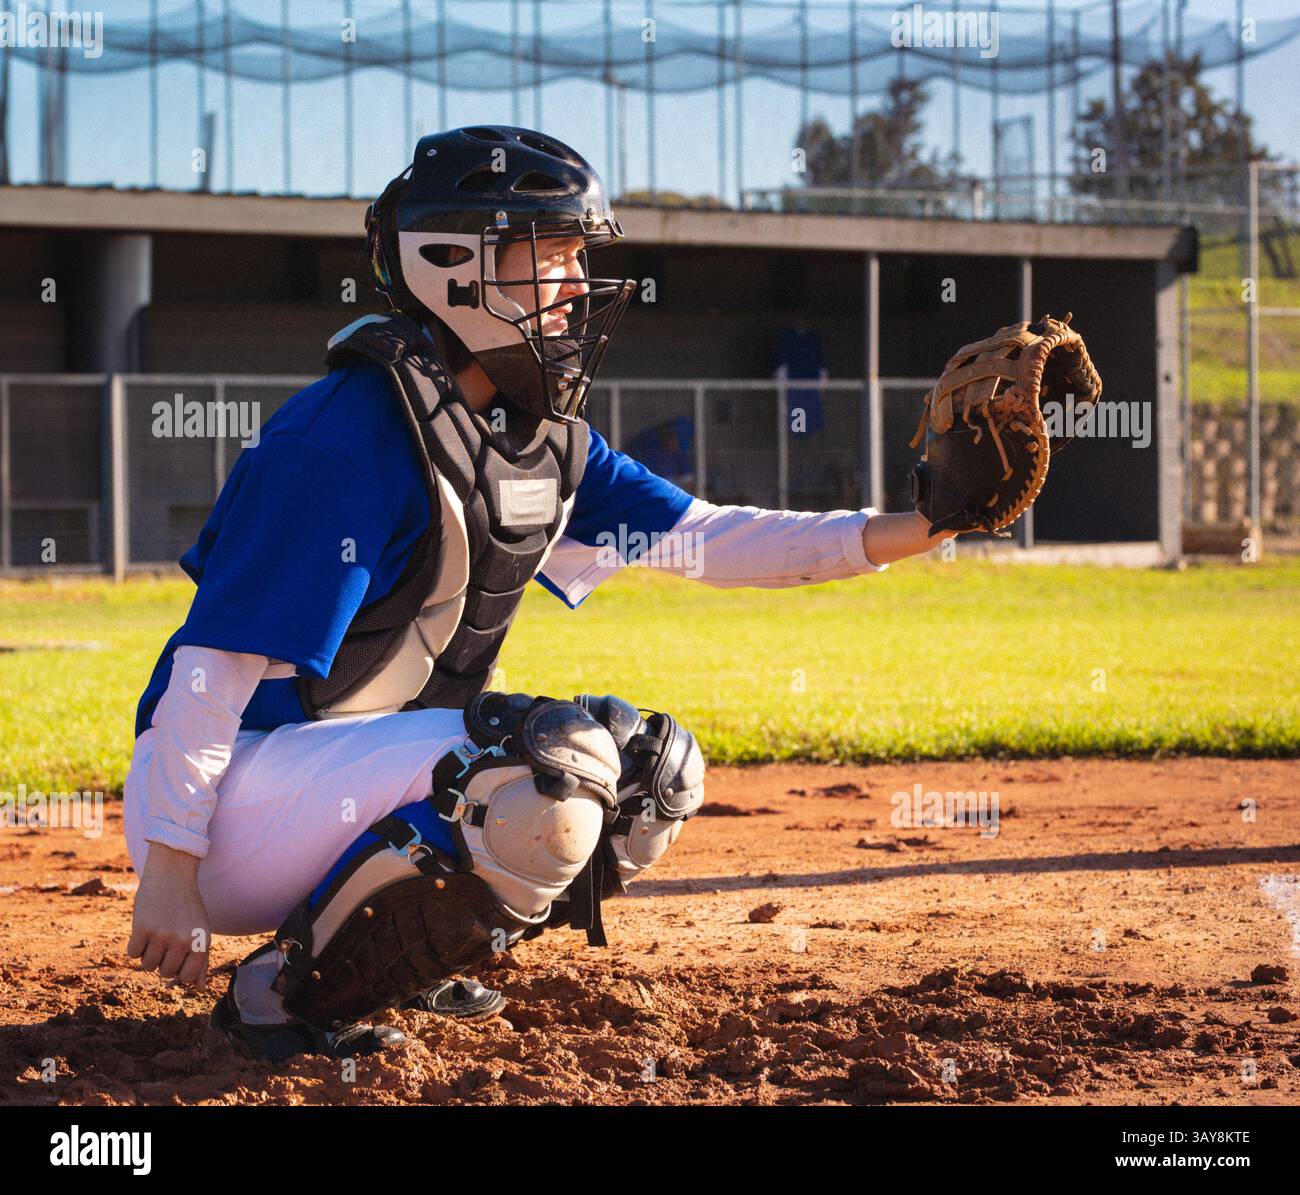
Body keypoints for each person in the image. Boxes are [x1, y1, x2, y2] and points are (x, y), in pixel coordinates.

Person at [125, 125, 955, 1062]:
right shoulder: (346, 435)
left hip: (332, 787)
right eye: (550, 255)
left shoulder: (533, 434)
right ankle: (280, 995)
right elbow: (213, 664)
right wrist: (171, 868)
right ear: (454, 266)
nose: (572, 287)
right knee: (543, 767)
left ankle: (393, 957)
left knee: (651, 771)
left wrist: (923, 522)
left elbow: (708, 538)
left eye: (573, 256)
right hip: (228, 798)